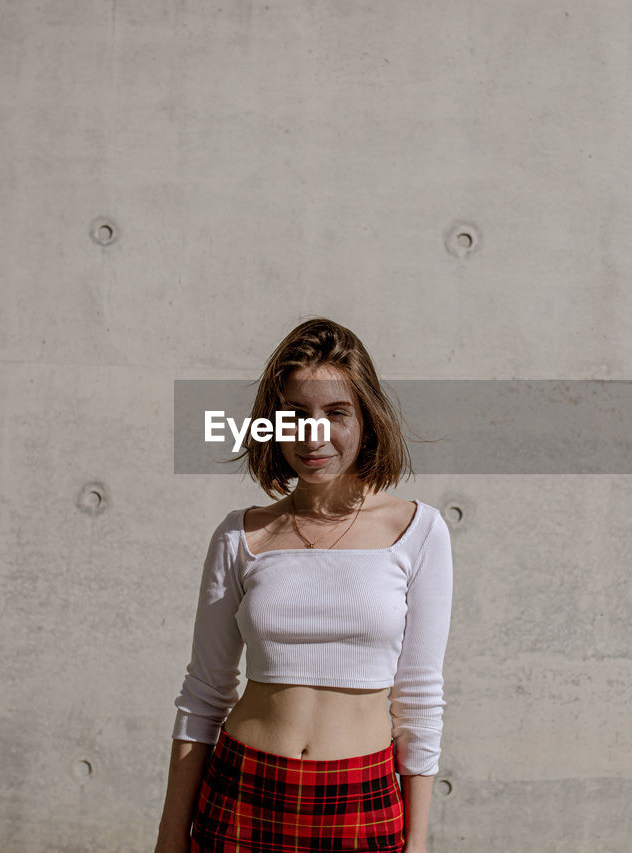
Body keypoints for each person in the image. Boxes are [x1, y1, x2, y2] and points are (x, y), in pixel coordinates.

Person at [154, 317, 454, 853]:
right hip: (241, 791)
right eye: (294, 416)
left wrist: (419, 840)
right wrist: (170, 835)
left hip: (361, 801)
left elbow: (420, 699)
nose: (314, 434)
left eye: (336, 413)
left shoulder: (419, 532)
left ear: (367, 420)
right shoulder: (240, 535)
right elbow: (203, 694)